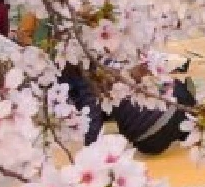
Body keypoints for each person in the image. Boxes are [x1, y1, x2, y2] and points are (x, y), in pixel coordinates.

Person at [64, 64, 192, 155]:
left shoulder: (73, 78)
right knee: (178, 89)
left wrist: (90, 148)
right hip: (166, 116)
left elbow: (92, 114)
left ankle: (184, 130)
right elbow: (91, 110)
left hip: (146, 142)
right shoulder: (90, 67)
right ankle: (189, 127)